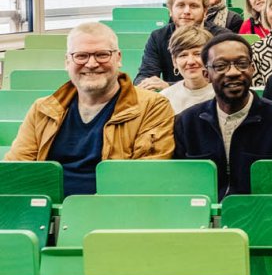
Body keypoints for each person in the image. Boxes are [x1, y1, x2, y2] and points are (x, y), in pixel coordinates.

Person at [4, 22, 174, 195]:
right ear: (67, 61)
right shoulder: (42, 109)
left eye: (102, 55)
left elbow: (145, 177)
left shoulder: (152, 107)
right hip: (47, 211)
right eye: (81, 56)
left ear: (118, 58)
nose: (91, 64)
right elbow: (16, 171)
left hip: (112, 211)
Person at [173, 33, 272, 198]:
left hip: (261, 217)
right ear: (206, 75)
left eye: (242, 64)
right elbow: (182, 187)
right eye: (221, 66)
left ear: (252, 69)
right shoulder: (186, 123)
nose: (233, 72)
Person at [137, 0, 230, 91]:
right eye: (180, 5)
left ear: (205, 12)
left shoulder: (222, 37)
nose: (186, 11)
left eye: (193, 6)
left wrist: (170, 86)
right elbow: (145, 75)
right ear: (170, 11)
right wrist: (148, 84)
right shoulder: (158, 36)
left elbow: (225, 77)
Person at [159, 26, 216, 113]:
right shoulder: (165, 98)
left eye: (197, 54)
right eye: (183, 55)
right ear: (174, 61)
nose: (190, 61)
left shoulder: (225, 94)